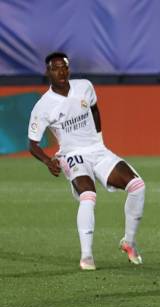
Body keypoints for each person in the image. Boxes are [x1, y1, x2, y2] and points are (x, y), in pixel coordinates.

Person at [28, 52, 145, 271]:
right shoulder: (43, 107)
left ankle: (129, 242)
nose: (60, 72)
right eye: (55, 68)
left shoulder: (84, 86)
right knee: (88, 195)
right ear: (47, 72)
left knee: (137, 186)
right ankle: (87, 256)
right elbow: (32, 144)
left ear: (68, 69)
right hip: (72, 155)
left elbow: (94, 109)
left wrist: (99, 140)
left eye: (63, 67)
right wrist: (47, 161)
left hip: (97, 150)